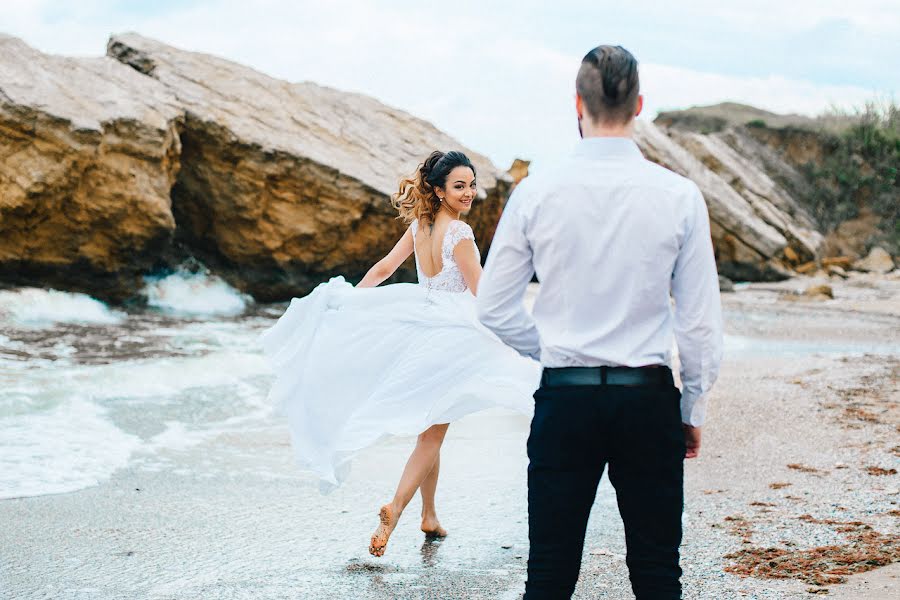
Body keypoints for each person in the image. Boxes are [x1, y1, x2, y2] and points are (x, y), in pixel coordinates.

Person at [476, 45, 724, 599]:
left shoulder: (536, 192)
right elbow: (700, 322)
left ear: (577, 104)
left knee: (549, 573)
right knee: (658, 573)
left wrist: (555, 355)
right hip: (648, 399)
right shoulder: (679, 196)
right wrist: (693, 406)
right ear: (639, 104)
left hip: (566, 399)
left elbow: (493, 306)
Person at [260, 150, 540, 558]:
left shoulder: (420, 226)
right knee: (432, 434)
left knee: (433, 425)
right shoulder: (460, 236)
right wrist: (518, 330)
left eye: (471, 185)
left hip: (422, 329)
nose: (468, 193)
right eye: (458, 186)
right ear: (439, 190)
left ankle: (429, 515)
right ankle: (395, 508)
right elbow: (482, 294)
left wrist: (352, 304)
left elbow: (383, 270)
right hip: (453, 337)